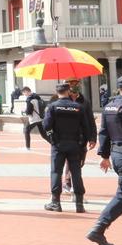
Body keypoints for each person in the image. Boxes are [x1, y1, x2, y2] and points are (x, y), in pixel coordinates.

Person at [43, 82, 94, 213]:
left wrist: (52, 138)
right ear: (68, 91)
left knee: (56, 172)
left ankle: (56, 202)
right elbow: (86, 126)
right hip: (74, 144)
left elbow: (46, 125)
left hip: (58, 144)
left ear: (57, 92)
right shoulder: (78, 107)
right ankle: (79, 204)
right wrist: (83, 144)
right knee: (76, 173)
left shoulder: (53, 107)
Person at [87, 75, 122, 245]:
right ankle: (99, 228)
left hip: (117, 154)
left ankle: (99, 229)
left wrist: (105, 156)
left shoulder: (110, 105)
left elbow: (104, 132)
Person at [62, 79, 97, 194]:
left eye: (76, 84)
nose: (74, 86)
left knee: (79, 162)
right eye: (71, 84)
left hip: (81, 138)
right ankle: (71, 186)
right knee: (71, 161)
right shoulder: (61, 101)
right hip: (66, 138)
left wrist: (92, 138)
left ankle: (68, 183)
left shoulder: (84, 102)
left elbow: (91, 120)